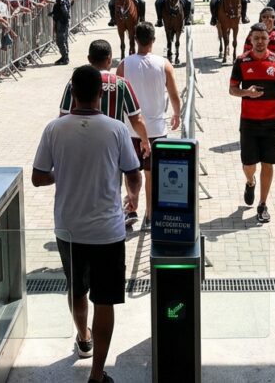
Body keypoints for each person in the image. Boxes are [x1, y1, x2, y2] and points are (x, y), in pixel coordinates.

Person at [32, 65, 141, 383]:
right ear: (99, 94)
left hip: (68, 228)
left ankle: (83, 338)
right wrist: (132, 198)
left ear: (72, 92)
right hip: (108, 230)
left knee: (77, 289)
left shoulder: (54, 129)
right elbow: (133, 173)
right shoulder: (116, 130)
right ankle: (96, 374)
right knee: (104, 299)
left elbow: (39, 177)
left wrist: (60, 174)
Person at [58, 39, 151, 226]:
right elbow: (136, 119)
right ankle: (110, 221)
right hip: (112, 147)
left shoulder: (75, 83)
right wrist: (145, 140)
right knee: (112, 184)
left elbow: (63, 117)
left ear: (88, 59)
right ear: (110, 60)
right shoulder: (121, 84)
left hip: (80, 144)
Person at [116, 23, 181, 230]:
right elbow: (173, 94)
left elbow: (118, 96)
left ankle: (131, 209)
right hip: (156, 130)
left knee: (130, 172)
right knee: (152, 174)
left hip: (130, 128)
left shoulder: (124, 64)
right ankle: (151, 215)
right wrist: (177, 113)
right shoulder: (164, 64)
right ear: (153, 40)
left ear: (135, 39)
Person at [229, 23, 275, 223]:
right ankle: (250, 182)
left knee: (268, 164)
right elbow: (232, 89)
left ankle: (263, 204)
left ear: (268, 39)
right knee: (249, 164)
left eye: (263, 38)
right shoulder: (241, 61)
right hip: (248, 122)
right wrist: (247, 92)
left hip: (271, 123)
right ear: (250, 40)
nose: (260, 41)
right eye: (256, 38)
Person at [242, 7, 275, 82]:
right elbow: (245, 53)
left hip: (274, 70)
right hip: (256, 69)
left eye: (272, 17)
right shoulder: (253, 34)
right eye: (264, 17)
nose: (269, 19)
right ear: (260, 18)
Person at [51, 0, 73, 65]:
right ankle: (64, 56)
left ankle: (65, 57)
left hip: (61, 22)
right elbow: (71, 3)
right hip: (63, 21)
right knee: (64, 40)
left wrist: (65, 18)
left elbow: (64, 10)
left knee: (60, 40)